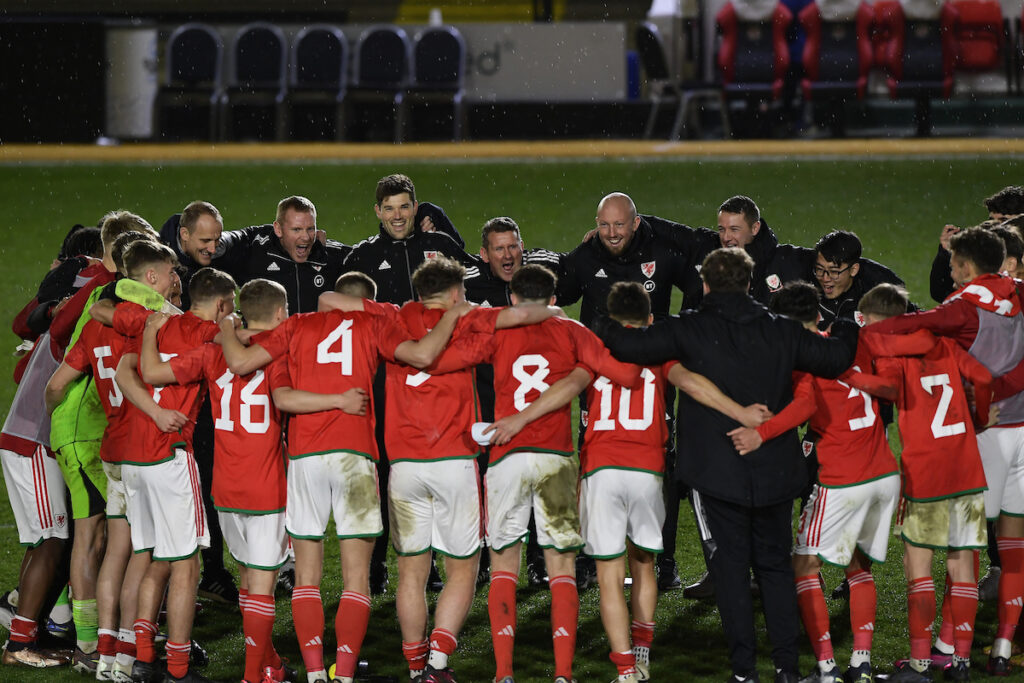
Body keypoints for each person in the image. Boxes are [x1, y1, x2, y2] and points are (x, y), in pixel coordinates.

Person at [486, 280, 770, 683]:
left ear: (608, 320)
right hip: (647, 470)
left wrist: (520, 418)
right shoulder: (660, 354)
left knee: (608, 573)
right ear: (650, 318)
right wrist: (739, 411)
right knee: (645, 563)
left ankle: (624, 669)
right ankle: (642, 651)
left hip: (601, 469)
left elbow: (568, 387)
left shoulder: (598, 351)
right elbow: (691, 383)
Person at [594, 247, 856, 682]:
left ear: (707, 284)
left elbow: (626, 344)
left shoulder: (689, 328)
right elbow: (836, 358)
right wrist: (847, 321)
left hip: (717, 474)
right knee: (774, 568)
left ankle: (744, 671)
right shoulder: (782, 331)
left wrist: (600, 319)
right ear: (750, 282)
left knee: (731, 573)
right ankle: (787, 667)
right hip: (774, 469)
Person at [216, 274, 468, 683]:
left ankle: (316, 673)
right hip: (354, 455)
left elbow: (242, 362)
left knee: (307, 576)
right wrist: (453, 315)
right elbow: (421, 355)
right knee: (355, 577)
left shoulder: (295, 325)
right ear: (365, 304)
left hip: (304, 457)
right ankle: (344, 674)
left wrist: (228, 326)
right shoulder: (376, 324)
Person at [470, 264, 643, 683]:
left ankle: (504, 673)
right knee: (561, 567)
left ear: (512, 299)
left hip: (506, 455)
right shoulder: (572, 331)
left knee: (503, 564)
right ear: (553, 298)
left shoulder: (497, 328)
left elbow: (450, 354)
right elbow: (626, 374)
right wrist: (585, 369)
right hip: (556, 458)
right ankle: (563, 674)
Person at [728, 282, 901, 683]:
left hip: (844, 479)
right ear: (818, 317)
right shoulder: (851, 343)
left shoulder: (802, 358)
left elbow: (806, 404)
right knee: (858, 567)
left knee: (803, 565)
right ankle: (861, 662)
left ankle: (826, 668)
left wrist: (762, 432)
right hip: (883, 472)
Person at [869, 227, 1024, 675]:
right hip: (1023, 432)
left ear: (967, 267)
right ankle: (1000, 646)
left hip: (989, 434)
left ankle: (941, 650)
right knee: (1013, 545)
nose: (951, 274)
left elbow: (916, 325)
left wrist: (864, 331)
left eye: (954, 264)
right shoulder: (1015, 291)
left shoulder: (961, 308)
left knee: (965, 549)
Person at [343, 174, 475, 595]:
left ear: (416, 208)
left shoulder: (441, 249)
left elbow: (471, 286)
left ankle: (432, 560)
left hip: (442, 377)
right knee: (385, 469)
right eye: (390, 208)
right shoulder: (363, 256)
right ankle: (381, 562)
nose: (398, 215)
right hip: (389, 379)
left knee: (430, 466)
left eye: (405, 206)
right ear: (377, 212)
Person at [559, 192, 693, 593]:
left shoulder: (663, 253)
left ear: (636, 223)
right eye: (604, 225)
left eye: (619, 224)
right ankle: (588, 558)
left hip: (651, 372)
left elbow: (698, 285)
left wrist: (681, 330)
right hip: (598, 378)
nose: (611, 233)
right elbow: (561, 291)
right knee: (591, 458)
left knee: (661, 465)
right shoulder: (586, 256)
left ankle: (663, 561)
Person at [113, 263, 238, 683]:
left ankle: (145, 659)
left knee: (155, 562)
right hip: (170, 454)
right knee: (186, 567)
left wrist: (150, 409)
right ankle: (179, 670)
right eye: (231, 307)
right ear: (221, 305)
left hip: (134, 457)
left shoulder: (158, 323)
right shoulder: (208, 334)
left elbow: (123, 371)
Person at [811, 230, 910, 330]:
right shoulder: (805, 280)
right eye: (819, 269)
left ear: (853, 270)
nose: (825, 278)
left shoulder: (878, 291)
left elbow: (910, 321)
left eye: (834, 271)